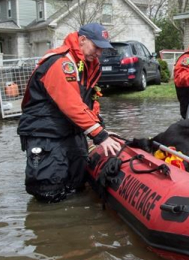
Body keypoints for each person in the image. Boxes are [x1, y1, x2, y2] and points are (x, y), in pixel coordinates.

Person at [17, 23, 122, 202]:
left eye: (102, 49)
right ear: (82, 40)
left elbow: (86, 104)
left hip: (70, 131)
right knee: (48, 191)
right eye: (96, 47)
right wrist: (100, 136)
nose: (99, 53)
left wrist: (102, 128)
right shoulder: (61, 63)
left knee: (77, 185)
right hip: (46, 134)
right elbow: (70, 104)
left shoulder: (86, 65)